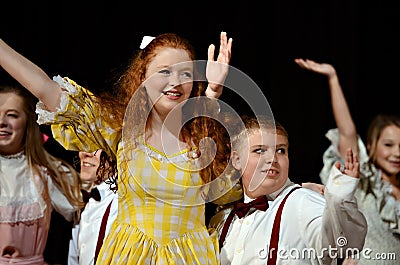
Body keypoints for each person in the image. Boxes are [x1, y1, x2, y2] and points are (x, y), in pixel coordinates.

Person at [0, 32, 240, 264]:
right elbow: (45, 88)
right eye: (164, 71)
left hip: (189, 258)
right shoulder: (123, 132)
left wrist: (213, 95)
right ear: (142, 77)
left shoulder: (205, 142)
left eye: (185, 73)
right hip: (131, 256)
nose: (175, 82)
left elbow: (234, 193)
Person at [211, 115, 367, 264]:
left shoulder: (302, 202)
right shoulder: (223, 221)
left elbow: (344, 243)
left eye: (281, 150)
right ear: (237, 160)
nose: (272, 158)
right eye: (259, 150)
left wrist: (340, 200)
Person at [295, 58, 400, 264]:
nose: (396, 153)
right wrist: (333, 78)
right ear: (370, 146)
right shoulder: (365, 181)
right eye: (388, 145)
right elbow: (347, 131)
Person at [0, 83, 84, 265]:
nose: (1, 122)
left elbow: (85, 214)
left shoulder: (46, 173)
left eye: (12, 115)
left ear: (27, 123)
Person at [68, 149, 118, 265]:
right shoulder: (82, 201)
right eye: (82, 145)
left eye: (95, 147)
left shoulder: (121, 206)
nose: (85, 153)